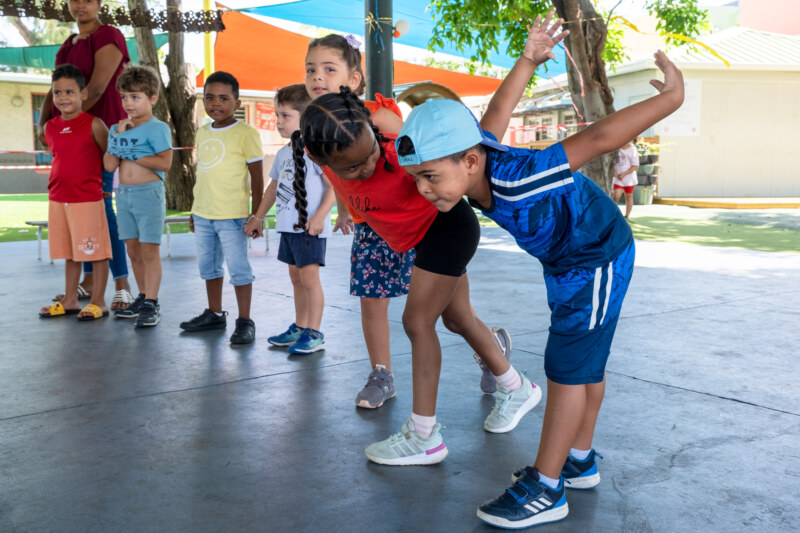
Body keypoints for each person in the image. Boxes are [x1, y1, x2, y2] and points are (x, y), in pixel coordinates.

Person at [395, 12, 684, 528]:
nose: (425, 190)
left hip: (595, 257)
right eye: (417, 179)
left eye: (431, 177)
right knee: (584, 362)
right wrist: (528, 58)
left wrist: (670, 100)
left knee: (567, 367)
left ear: (469, 161)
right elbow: (499, 111)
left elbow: (596, 140)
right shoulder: (476, 159)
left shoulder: (521, 178)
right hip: (571, 262)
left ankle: (547, 488)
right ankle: (579, 461)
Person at [293, 87, 539, 466]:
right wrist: (343, 210)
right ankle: (515, 386)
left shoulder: (398, 153)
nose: (367, 168)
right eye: (354, 169)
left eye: (371, 154)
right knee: (458, 319)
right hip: (420, 240)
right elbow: (342, 184)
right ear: (319, 158)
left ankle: (425, 436)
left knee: (417, 322)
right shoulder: (326, 157)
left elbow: (458, 160)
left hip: (448, 228)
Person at [304, 34, 509, 407]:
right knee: (373, 300)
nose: (318, 77)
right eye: (311, 70)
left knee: (455, 316)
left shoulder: (379, 119)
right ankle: (381, 374)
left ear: (353, 80)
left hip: (431, 223)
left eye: (329, 69)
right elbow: (335, 174)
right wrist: (344, 210)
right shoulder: (315, 136)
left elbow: (430, 154)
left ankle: (491, 354)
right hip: (377, 229)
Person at [38, 0, 133, 310]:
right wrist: (46, 126)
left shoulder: (109, 35)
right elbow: (57, 88)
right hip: (72, 140)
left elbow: (93, 89)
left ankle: (121, 284)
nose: (80, 4)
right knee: (78, 217)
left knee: (102, 212)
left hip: (97, 137)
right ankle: (90, 283)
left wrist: (70, 126)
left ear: (99, 3)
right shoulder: (66, 45)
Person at [243, 84, 334, 353]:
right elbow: (273, 188)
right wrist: (257, 217)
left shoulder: (316, 150)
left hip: (310, 228)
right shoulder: (284, 153)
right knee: (296, 279)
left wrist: (319, 217)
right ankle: (300, 326)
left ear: (305, 118)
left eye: (285, 116)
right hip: (288, 228)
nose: (278, 122)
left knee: (309, 280)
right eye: (277, 115)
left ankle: (314, 332)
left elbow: (335, 187)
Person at [179, 71, 264, 344]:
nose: (216, 103)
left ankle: (245, 320)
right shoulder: (203, 132)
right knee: (209, 268)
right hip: (203, 215)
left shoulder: (246, 134)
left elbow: (257, 178)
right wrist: (195, 210)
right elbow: (202, 174)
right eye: (210, 98)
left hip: (233, 217)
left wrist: (256, 215)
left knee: (239, 269)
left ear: (237, 104)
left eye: (224, 98)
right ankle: (215, 314)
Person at [38, 64, 112, 321]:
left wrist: (106, 191)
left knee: (96, 251)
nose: (63, 98)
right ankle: (70, 300)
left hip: (88, 200)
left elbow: (110, 159)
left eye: (69, 92)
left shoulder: (95, 124)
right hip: (59, 200)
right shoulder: (50, 128)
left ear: (83, 94)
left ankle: (99, 302)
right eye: (57, 93)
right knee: (70, 253)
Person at [103, 65, 173, 328]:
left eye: (135, 97)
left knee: (149, 250)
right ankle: (143, 296)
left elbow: (164, 163)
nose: (128, 103)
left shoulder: (158, 128)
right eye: (124, 97)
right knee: (132, 250)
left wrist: (131, 153)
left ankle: (152, 302)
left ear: (152, 99)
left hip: (148, 194)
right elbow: (110, 166)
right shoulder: (116, 129)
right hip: (124, 195)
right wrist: (119, 138)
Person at [613, 138, 639, 219]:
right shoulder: (616, 149)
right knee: (616, 195)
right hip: (618, 178)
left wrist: (624, 174)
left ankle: (627, 215)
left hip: (629, 179)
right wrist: (615, 173)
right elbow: (611, 163)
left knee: (629, 196)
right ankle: (613, 213)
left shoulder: (633, 150)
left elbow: (635, 166)